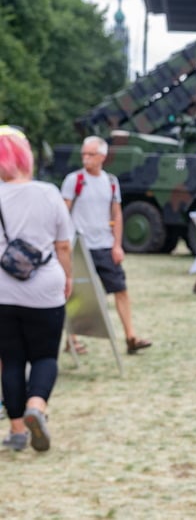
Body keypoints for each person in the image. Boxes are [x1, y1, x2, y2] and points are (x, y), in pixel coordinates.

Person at [0, 126, 74, 452]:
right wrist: (68, 278)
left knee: (11, 359)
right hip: (44, 286)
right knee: (44, 356)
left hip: (3, 291)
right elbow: (64, 246)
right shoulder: (48, 193)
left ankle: (17, 432)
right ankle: (36, 406)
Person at [61, 135, 151, 355]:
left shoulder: (111, 182)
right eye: (83, 154)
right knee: (75, 293)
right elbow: (63, 213)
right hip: (79, 246)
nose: (86, 158)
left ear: (102, 156)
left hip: (104, 245)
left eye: (90, 154)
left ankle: (130, 336)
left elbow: (117, 214)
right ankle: (71, 338)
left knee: (120, 289)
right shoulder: (74, 180)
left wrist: (117, 245)